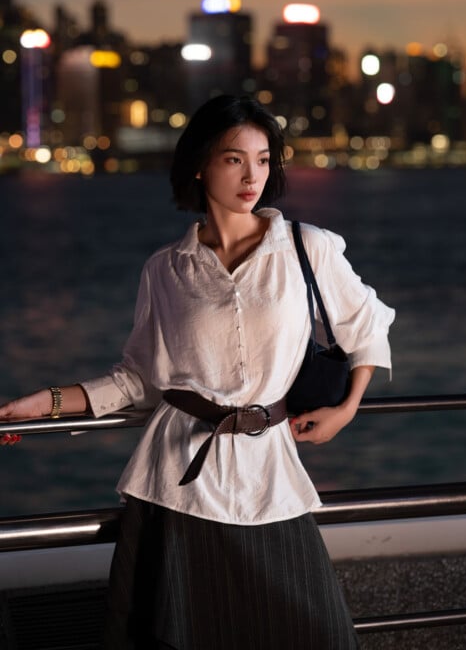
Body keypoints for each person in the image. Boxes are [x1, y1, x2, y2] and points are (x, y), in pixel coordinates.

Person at [0, 95, 395, 649]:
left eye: (262, 159)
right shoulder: (166, 269)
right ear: (199, 164)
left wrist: (346, 409)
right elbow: (137, 378)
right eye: (234, 158)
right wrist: (38, 404)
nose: (251, 175)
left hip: (270, 473)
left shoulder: (310, 248)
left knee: (320, 631)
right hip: (176, 481)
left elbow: (367, 325)